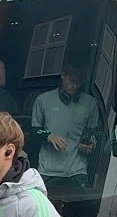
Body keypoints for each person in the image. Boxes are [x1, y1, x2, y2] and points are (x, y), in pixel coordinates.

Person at [31, 61, 104, 190]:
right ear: (63, 75)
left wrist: (91, 145)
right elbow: (35, 130)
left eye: (78, 82)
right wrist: (48, 135)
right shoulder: (43, 100)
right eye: (71, 80)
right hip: (48, 170)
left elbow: (93, 134)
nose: (74, 85)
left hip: (77, 171)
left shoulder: (91, 103)